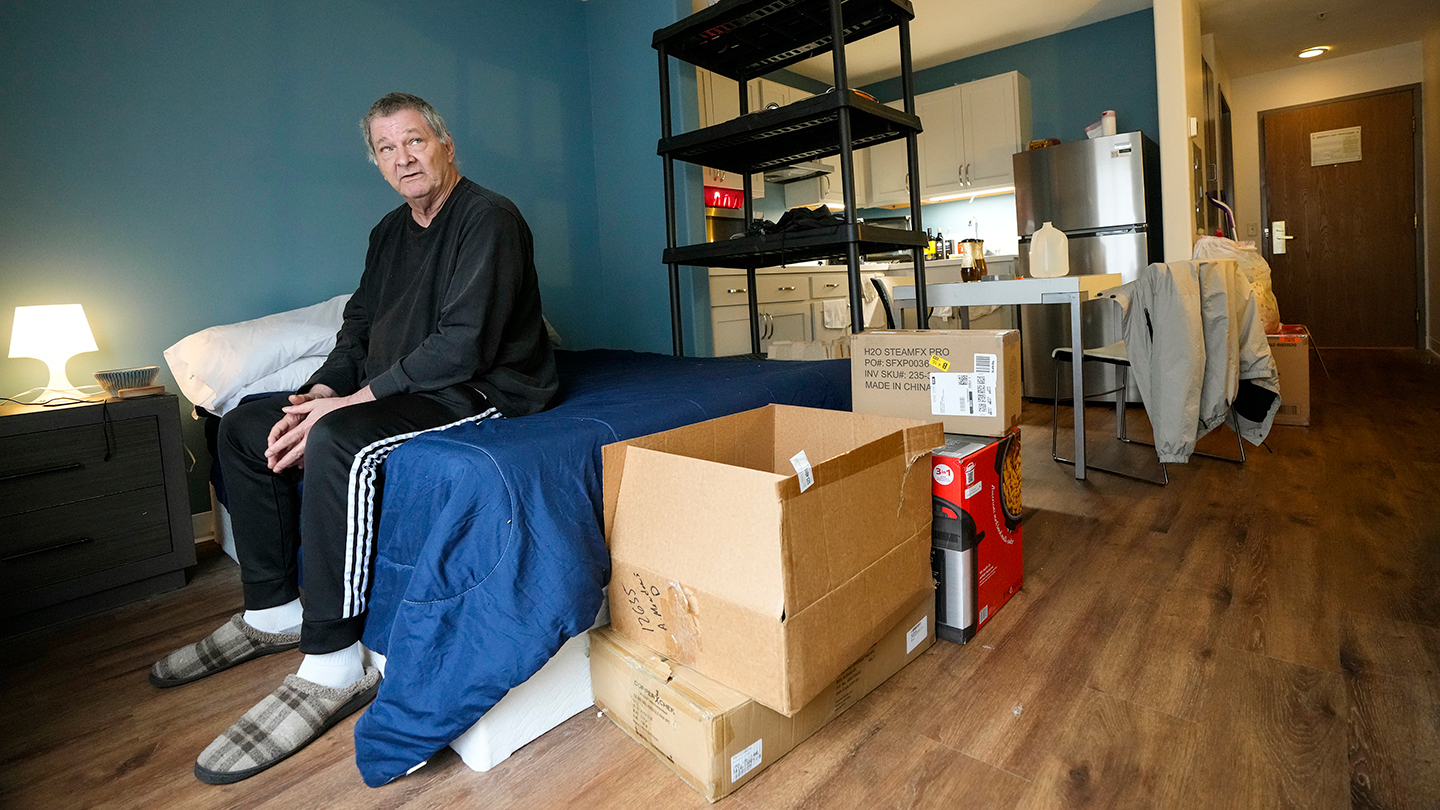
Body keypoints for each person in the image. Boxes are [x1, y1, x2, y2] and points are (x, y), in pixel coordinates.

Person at [149, 92, 558, 785]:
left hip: (486, 387)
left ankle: (334, 664)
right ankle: (272, 610)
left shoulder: (489, 217)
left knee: (337, 438)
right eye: (388, 148)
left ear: (446, 145)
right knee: (251, 420)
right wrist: (319, 392)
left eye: (416, 141)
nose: (405, 157)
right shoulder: (387, 234)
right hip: (402, 384)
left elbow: (462, 346)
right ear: (376, 162)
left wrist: (348, 406)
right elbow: (358, 332)